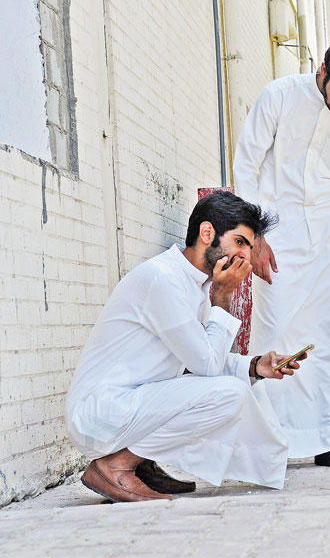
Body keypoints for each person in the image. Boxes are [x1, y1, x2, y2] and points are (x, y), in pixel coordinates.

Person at [65, 192, 304, 503]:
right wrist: (222, 297)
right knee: (229, 394)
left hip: (129, 403)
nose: (246, 255)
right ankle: (116, 466)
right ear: (207, 234)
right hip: (101, 411)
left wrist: (254, 365)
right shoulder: (162, 279)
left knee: (230, 387)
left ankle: (141, 464)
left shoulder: (195, 283)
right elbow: (206, 365)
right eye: (241, 242)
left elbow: (197, 360)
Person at [233, 36, 330, 469]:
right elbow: (246, 165)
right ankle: (273, 439)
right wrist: (253, 236)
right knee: (278, 329)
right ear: (322, 71)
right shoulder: (279, 97)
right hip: (277, 237)